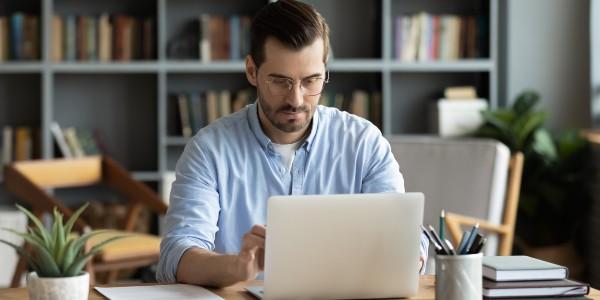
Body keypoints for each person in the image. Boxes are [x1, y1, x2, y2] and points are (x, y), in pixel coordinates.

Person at [157, 0, 428, 287]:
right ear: (252, 71)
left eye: (311, 81)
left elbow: (405, 236)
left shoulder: (364, 143)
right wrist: (236, 267)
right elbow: (177, 256)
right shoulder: (209, 151)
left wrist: (409, 251)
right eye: (280, 81)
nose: (296, 100)